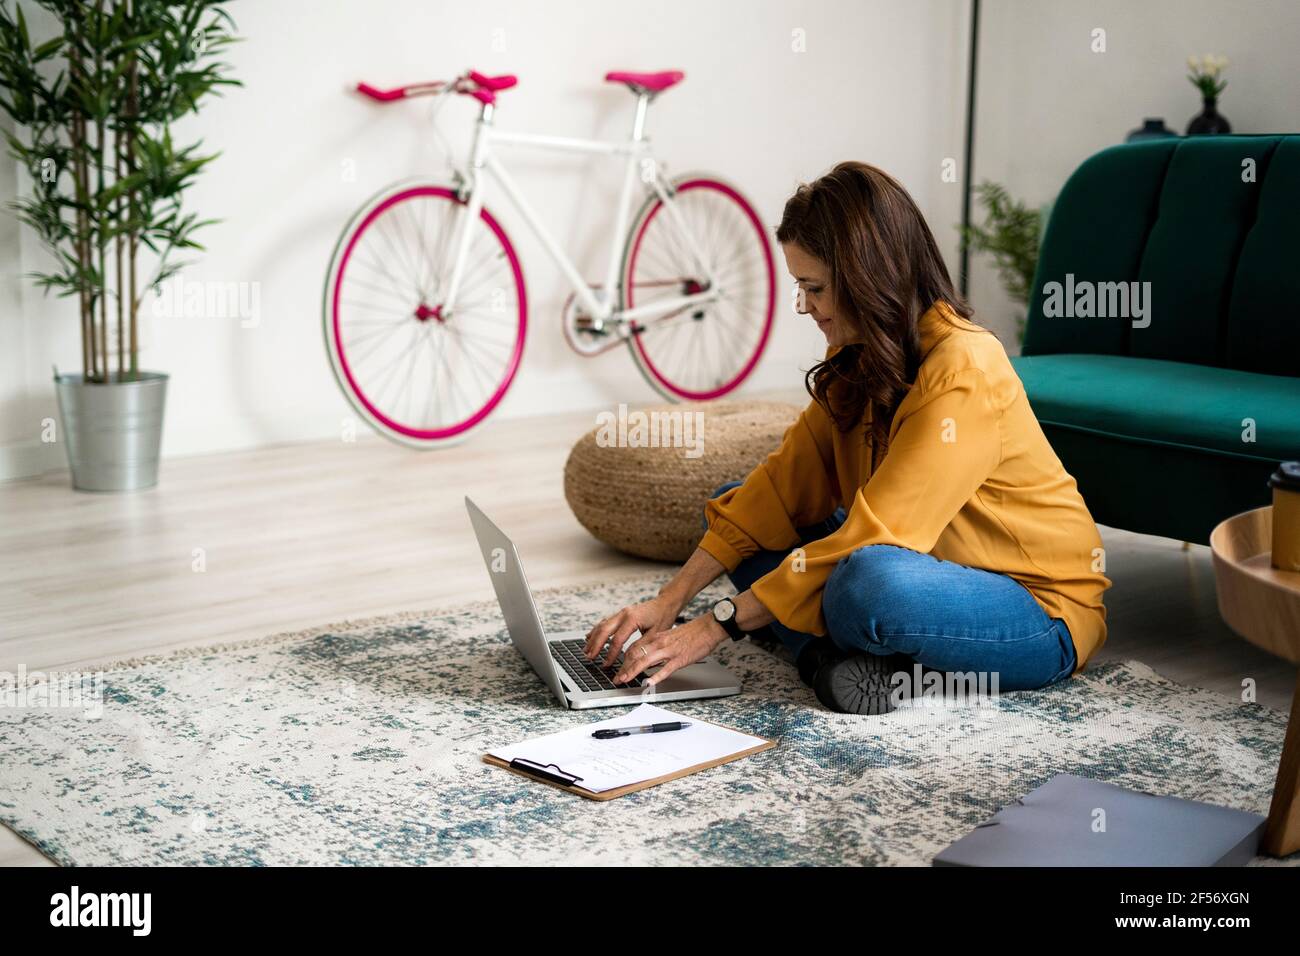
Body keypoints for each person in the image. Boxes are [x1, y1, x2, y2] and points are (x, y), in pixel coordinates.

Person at [583, 160, 1111, 714]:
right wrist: (670, 601)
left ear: (868, 275)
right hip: (923, 561)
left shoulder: (964, 370)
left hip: (1034, 608)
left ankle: (825, 647)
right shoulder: (856, 355)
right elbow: (781, 487)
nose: (805, 307)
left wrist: (714, 626)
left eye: (813, 288)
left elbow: (877, 539)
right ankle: (830, 662)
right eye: (800, 288)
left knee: (866, 583)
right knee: (750, 518)